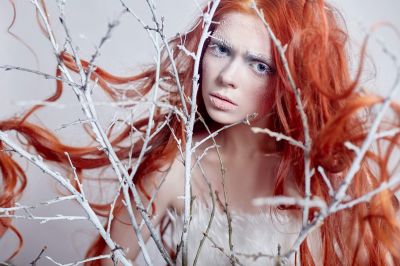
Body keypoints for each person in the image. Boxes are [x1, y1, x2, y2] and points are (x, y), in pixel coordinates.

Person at [1, 0, 400, 265]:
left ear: (292, 81)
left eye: (259, 65)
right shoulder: (173, 169)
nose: (227, 77)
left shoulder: (329, 183)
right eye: (221, 49)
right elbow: (106, 261)